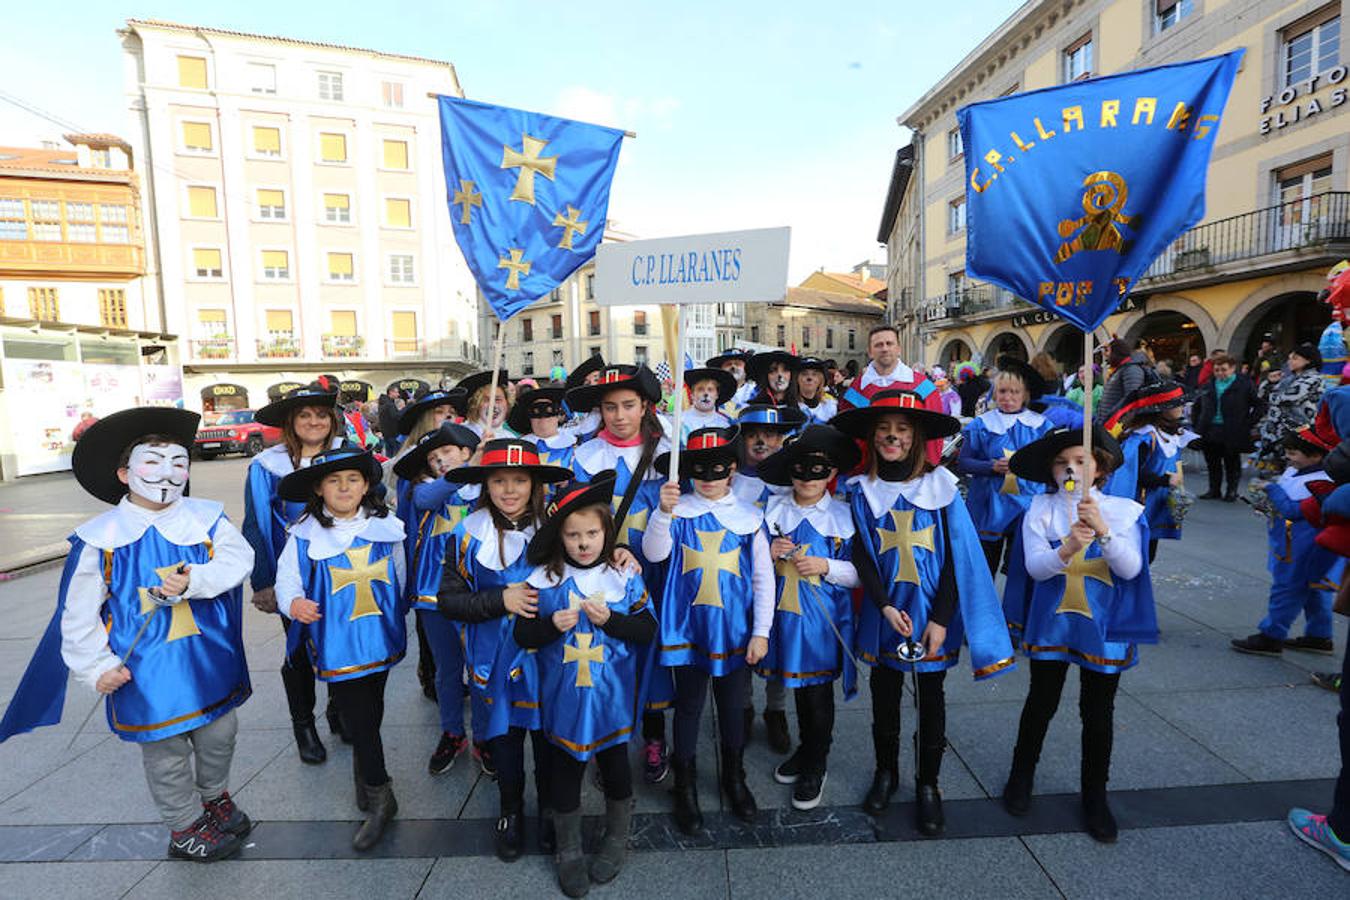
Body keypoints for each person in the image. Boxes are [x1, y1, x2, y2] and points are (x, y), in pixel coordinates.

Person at [0, 407, 254, 862]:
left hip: (204, 657)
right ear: (124, 473)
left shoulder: (207, 519)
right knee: (166, 750)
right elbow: (78, 614)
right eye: (153, 462)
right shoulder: (100, 538)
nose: (168, 473)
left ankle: (214, 796)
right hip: (146, 670)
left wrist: (195, 579)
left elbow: (238, 562)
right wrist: (96, 666)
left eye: (179, 462)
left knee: (220, 732)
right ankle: (183, 825)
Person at [833, 390, 1016, 835]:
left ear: (916, 437)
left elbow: (959, 559)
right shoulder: (861, 491)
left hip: (933, 612)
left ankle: (928, 783)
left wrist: (940, 619)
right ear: (872, 437)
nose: (891, 437)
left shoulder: (941, 487)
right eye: (884, 429)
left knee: (931, 698)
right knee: (886, 695)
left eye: (902, 430)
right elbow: (861, 555)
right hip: (886, 611)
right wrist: (883, 605)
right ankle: (886, 772)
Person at [1000, 425, 1156, 843]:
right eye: (1061, 462)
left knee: (1098, 712)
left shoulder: (1123, 511)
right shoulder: (1041, 509)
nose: (1070, 468)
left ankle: (1095, 795)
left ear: (1099, 468)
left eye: (1080, 461)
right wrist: (1066, 547)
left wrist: (1104, 532)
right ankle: (1021, 776)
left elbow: (1131, 569)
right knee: (1041, 702)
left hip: (1101, 628)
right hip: (1054, 622)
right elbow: (1035, 568)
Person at [516, 472, 655, 897]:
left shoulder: (624, 577)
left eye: (592, 533)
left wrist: (611, 620)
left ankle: (616, 837)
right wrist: (547, 627)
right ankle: (569, 847)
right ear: (560, 538)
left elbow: (647, 630)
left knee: (615, 766)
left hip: (611, 699)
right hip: (564, 701)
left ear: (606, 533)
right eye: (573, 535)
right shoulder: (544, 580)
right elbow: (523, 636)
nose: (583, 542)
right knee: (566, 770)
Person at [437, 438, 571, 860]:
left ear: (534, 485)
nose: (509, 490)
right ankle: (510, 809)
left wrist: (621, 553)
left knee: (549, 738)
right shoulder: (464, 536)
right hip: (492, 659)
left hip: (547, 657)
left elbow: (594, 560)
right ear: (485, 485)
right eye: (499, 481)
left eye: (519, 480)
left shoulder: (559, 532)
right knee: (505, 738)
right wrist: (500, 601)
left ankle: (550, 810)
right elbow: (449, 601)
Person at [274, 446, 405, 850]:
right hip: (336, 642)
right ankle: (382, 796)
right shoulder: (304, 534)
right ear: (319, 488)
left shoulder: (387, 527)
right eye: (334, 480)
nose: (344, 487)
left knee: (373, 709)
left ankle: (365, 771)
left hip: (380, 636)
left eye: (353, 479)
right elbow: (287, 580)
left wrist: (397, 612)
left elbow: (399, 575)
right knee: (360, 719)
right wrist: (293, 603)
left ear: (367, 485)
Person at [644, 426, 773, 833]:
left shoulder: (751, 518)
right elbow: (654, 553)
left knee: (733, 707)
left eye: (718, 469)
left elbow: (763, 579)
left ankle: (734, 778)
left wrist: (761, 631)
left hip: (735, 631)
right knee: (688, 706)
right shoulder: (677, 511)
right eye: (700, 470)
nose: (710, 479)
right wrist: (663, 513)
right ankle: (684, 785)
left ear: (732, 469)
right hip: (687, 627)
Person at [567, 365, 674, 784]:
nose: (619, 415)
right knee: (605, 653)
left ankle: (653, 736)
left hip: (656, 569)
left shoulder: (667, 453)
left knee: (652, 652)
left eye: (628, 405)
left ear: (645, 405)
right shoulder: (586, 456)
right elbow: (576, 516)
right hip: (603, 572)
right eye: (609, 407)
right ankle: (606, 737)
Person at [757, 425, 861, 810]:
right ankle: (805, 750)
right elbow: (749, 565)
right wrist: (767, 551)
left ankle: (817, 761)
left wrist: (826, 565)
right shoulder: (772, 512)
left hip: (821, 623)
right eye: (800, 470)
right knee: (799, 690)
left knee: (818, 695)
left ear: (832, 475)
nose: (808, 479)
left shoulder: (843, 516)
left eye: (819, 471)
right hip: (785, 619)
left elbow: (860, 574)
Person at [243, 384, 346, 763]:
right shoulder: (267, 466)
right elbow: (255, 524)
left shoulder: (346, 456)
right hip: (294, 574)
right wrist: (264, 581)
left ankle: (339, 710)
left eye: (321, 414)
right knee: (298, 647)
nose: (314, 421)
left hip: (342, 569)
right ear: (291, 422)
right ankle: (303, 724)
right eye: (305, 415)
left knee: (340, 639)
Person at [393, 423, 483, 775]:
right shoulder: (428, 490)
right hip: (433, 594)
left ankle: (486, 737)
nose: (439, 461)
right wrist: (464, 470)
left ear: (465, 451)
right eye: (432, 458)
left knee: (480, 667)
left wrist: (481, 467)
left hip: (478, 594)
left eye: (446, 452)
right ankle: (452, 731)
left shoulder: (483, 488)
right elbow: (428, 499)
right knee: (448, 670)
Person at [1231, 426, 1342, 657]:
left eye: (1293, 453)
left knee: (1287, 588)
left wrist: (1272, 489)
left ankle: (1271, 636)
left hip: (1302, 546)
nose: (1288, 458)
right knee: (1314, 589)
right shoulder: (1296, 471)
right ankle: (1319, 636)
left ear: (1316, 455)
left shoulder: (1321, 481)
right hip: (1294, 542)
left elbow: (1293, 510)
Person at [957, 358, 1054, 574]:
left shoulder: (1041, 426)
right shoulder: (982, 424)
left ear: (1025, 394)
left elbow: (1051, 465)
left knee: (1019, 570)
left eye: (1014, 392)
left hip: (1027, 506)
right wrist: (990, 467)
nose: (1007, 398)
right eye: (1002, 392)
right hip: (988, 505)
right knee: (984, 569)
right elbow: (963, 463)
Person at [1103, 382, 1196, 563]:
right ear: (1162, 408)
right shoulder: (1143, 438)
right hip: (1141, 507)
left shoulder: (1170, 434)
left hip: (1157, 506)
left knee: (1149, 554)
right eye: (1178, 403)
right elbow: (1130, 475)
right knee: (1136, 556)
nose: (1182, 407)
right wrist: (1165, 479)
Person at [1193, 353, 1263, 501]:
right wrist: (1197, 423)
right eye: (1217, 370)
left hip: (1233, 429)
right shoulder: (1209, 384)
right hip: (1210, 428)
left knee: (1231, 462)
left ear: (1232, 369)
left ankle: (1231, 490)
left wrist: (1248, 422)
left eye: (1223, 370)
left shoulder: (1244, 384)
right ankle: (1214, 489)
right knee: (1212, 462)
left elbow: (1260, 405)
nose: (1220, 373)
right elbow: (1197, 406)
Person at [1256, 343, 1324, 474]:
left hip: (1296, 434)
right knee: (1272, 474)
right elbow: (1261, 395)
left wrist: (1274, 389)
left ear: (1309, 360)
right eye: (1289, 358)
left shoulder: (1313, 379)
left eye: (1295, 358)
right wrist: (1270, 382)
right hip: (1276, 434)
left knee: (1291, 472)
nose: (1290, 361)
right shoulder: (1289, 379)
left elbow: (1283, 399)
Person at [506, 383, 577, 489]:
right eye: (536, 412)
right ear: (529, 418)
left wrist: (571, 480)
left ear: (559, 415)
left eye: (549, 411)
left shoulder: (574, 448)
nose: (543, 419)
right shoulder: (519, 449)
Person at [1095, 339, 1157, 424]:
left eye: (1107, 350)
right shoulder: (1121, 369)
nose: (1104, 354)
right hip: (1109, 422)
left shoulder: (1132, 369)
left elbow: (1131, 400)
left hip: (1117, 424)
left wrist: (1111, 418)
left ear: (1116, 351)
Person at [675, 366, 736, 438]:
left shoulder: (725, 423)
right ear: (692, 395)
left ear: (717, 395)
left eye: (710, 389)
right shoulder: (679, 421)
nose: (706, 394)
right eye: (700, 389)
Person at [457, 369, 511, 439]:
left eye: (498, 399)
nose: (493, 405)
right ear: (475, 405)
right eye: (486, 400)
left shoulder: (511, 438)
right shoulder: (461, 435)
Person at [796, 356, 839, 424]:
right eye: (804, 374)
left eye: (814, 374)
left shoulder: (830, 406)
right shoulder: (790, 406)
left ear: (821, 380)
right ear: (797, 379)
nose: (809, 378)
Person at [377, 385, 403, 456]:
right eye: (397, 392)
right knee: (396, 455)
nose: (398, 394)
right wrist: (403, 411)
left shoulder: (383, 403)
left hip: (386, 434)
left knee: (389, 455)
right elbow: (395, 416)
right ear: (391, 392)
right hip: (393, 433)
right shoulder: (389, 404)